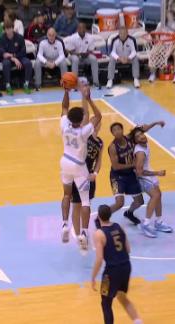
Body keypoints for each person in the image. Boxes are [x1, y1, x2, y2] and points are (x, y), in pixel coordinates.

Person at [60, 82, 102, 250]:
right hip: (79, 166)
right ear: (81, 120)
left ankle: (64, 224)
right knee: (85, 201)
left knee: (66, 195)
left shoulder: (64, 124)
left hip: (64, 162)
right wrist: (89, 99)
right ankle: (84, 232)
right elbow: (98, 116)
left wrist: (66, 91)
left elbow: (64, 106)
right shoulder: (84, 132)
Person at [91, 205, 143, 324]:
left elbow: (99, 259)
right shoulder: (119, 227)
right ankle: (138, 321)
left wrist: (93, 277)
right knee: (121, 296)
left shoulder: (99, 234)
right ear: (110, 215)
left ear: (98, 216)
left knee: (105, 302)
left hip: (110, 272)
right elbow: (128, 249)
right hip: (126, 267)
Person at [70, 90, 103, 249]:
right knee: (76, 205)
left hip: (88, 176)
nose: (96, 123)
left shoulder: (100, 142)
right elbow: (92, 114)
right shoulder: (84, 133)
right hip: (76, 173)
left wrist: (95, 173)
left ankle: (83, 232)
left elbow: (99, 161)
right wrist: (86, 98)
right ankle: (78, 236)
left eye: (97, 122)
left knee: (86, 204)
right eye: (92, 121)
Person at [131, 124, 174, 238]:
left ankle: (158, 222)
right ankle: (145, 223)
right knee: (155, 196)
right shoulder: (140, 152)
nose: (141, 136)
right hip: (142, 177)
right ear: (135, 141)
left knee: (159, 195)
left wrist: (157, 122)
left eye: (141, 134)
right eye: (138, 136)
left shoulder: (144, 141)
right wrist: (157, 173)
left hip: (148, 172)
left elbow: (144, 128)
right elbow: (139, 172)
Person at [107, 122, 144, 225]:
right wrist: (133, 164)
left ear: (122, 130)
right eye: (114, 130)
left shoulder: (129, 139)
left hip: (130, 175)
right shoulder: (113, 147)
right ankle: (101, 217)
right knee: (119, 203)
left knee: (139, 201)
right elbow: (116, 166)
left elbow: (142, 130)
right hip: (117, 177)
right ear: (112, 133)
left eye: (119, 129)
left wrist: (155, 123)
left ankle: (129, 213)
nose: (117, 131)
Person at [0, 21, 32, 95]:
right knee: (6, 64)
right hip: (8, 59)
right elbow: (3, 54)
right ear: (4, 30)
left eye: (10, 28)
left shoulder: (19, 37)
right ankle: (7, 85)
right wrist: (14, 59)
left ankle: (26, 84)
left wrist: (14, 57)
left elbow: (23, 51)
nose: (9, 30)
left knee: (28, 63)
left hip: (19, 56)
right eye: (7, 29)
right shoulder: (1, 39)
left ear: (13, 28)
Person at [67, 23, 99, 88]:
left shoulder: (90, 37)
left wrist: (86, 53)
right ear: (77, 29)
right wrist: (79, 54)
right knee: (75, 59)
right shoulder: (72, 37)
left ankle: (96, 82)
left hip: (86, 56)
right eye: (80, 28)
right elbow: (70, 51)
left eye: (83, 28)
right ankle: (74, 84)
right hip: (74, 55)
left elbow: (91, 49)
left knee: (93, 59)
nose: (82, 30)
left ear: (86, 29)